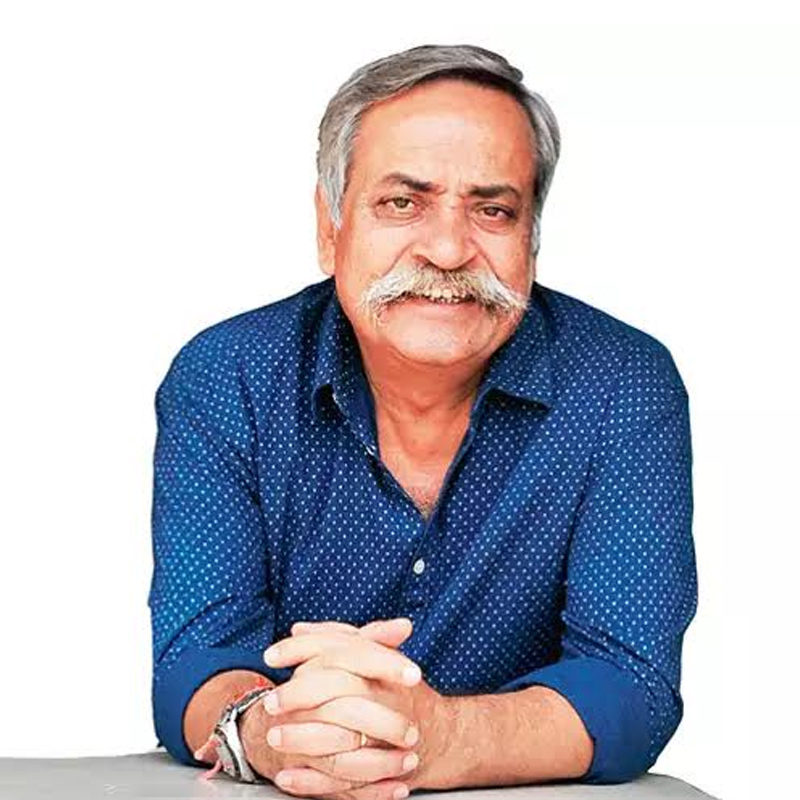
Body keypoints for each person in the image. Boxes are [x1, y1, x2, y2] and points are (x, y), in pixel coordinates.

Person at [148, 43, 698, 798]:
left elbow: (630, 688)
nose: (446, 249)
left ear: (532, 236)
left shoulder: (622, 385)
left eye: (492, 210)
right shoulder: (227, 376)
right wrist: (280, 735)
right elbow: (196, 661)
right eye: (402, 203)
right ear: (329, 226)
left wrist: (437, 739)